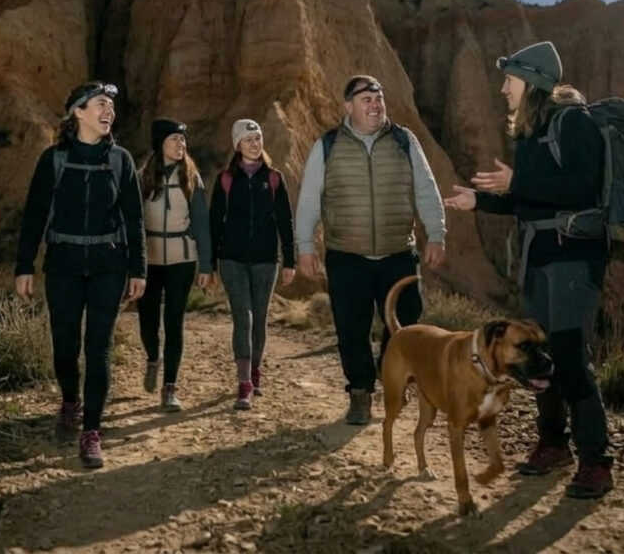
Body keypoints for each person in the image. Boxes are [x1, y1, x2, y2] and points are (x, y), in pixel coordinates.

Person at [443, 41, 613, 499]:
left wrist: (518, 181)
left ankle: (596, 462)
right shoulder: (533, 132)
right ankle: (554, 445)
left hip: (574, 256)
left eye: (510, 79)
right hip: (540, 257)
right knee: (541, 355)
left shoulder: (573, 122)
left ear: (533, 81)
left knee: (571, 357)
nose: (503, 89)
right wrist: (479, 200)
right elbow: (528, 199)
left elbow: (582, 187)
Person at [296, 75, 446, 425]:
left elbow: (426, 189)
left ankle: (388, 371)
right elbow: (309, 199)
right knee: (351, 328)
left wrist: (436, 234)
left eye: (378, 98)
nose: (375, 105)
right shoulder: (328, 145)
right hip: (347, 256)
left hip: (398, 253)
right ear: (348, 106)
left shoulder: (404, 141)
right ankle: (360, 391)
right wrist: (305, 246)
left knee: (405, 323)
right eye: (366, 99)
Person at [14, 81, 146, 470]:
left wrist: (138, 269)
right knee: (64, 347)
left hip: (109, 264)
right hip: (64, 264)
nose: (109, 111)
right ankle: (70, 400)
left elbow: (134, 220)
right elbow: (35, 215)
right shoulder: (53, 159)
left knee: (98, 348)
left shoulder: (121, 160)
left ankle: (91, 432)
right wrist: (24, 265)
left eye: (112, 106)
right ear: (78, 112)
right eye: (101, 104)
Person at [210, 118, 296, 410]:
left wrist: (289, 260)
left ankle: (255, 369)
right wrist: (209, 264)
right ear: (238, 145)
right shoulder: (225, 179)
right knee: (243, 318)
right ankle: (244, 382)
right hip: (232, 260)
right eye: (248, 139)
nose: (254, 143)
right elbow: (214, 223)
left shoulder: (274, 178)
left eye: (257, 138)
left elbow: (285, 221)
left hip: (265, 261)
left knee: (259, 319)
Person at [136, 118, 213, 412]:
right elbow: (133, 220)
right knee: (148, 322)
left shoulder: (191, 178)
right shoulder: (143, 177)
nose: (181, 144)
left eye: (183, 140)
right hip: (150, 260)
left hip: (182, 258)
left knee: (174, 322)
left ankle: (170, 387)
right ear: (160, 144)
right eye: (174, 139)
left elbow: (201, 224)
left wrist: (206, 266)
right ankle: (153, 357)